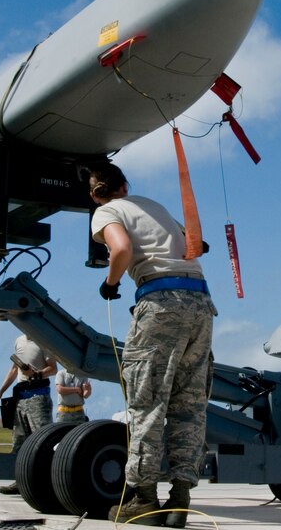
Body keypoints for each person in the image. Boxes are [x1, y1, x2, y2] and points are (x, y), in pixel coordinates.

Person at [88, 162, 215, 528]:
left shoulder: (106, 211)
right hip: (200, 303)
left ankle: (143, 499)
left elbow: (122, 249)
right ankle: (180, 499)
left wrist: (111, 283)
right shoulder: (153, 206)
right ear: (125, 186)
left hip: (160, 301)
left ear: (95, 194)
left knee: (147, 401)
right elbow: (197, 245)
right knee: (189, 404)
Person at [0, 334, 57, 495]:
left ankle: (46, 483)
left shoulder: (44, 341)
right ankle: (20, 481)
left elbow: (53, 368)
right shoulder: (19, 341)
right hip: (21, 397)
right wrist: (0, 391)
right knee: (19, 442)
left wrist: (36, 374)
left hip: (38, 396)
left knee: (42, 440)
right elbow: (14, 369)